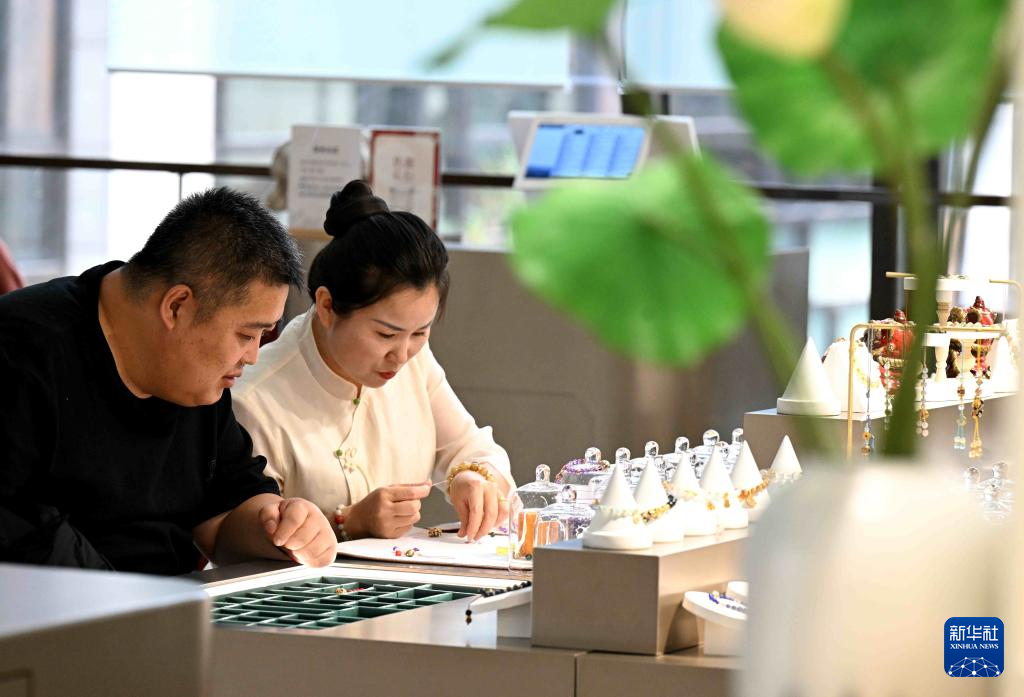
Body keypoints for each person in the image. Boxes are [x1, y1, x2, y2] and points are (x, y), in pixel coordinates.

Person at [0, 188, 336, 574]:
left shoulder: (197, 379)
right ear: (176, 306)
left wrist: (280, 526)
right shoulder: (21, 352)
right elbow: (20, 535)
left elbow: (224, 517)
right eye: (246, 335)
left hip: (171, 601)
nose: (252, 356)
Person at [233, 180, 514, 543]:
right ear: (327, 306)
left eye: (420, 332)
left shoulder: (414, 362)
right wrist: (346, 523)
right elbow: (243, 540)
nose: (401, 355)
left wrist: (473, 477)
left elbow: (471, 447)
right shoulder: (255, 398)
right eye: (385, 334)